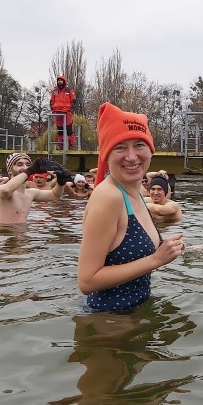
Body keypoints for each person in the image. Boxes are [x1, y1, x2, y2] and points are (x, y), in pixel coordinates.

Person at [78, 103, 184, 313]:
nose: (132, 156)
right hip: (108, 327)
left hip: (135, 318)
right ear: (106, 155)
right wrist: (156, 260)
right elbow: (87, 281)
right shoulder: (109, 197)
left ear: (151, 150)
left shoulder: (134, 195)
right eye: (120, 147)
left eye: (139, 145)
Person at [0, 152, 66, 224]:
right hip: (5, 233)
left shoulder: (30, 193)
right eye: (19, 164)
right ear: (10, 170)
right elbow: (6, 190)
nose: (25, 168)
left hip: (22, 233)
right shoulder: (3, 189)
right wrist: (29, 171)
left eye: (28, 165)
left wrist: (61, 182)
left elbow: (55, 194)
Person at [50, 74, 77, 150]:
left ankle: (73, 144)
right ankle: (60, 145)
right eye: (58, 80)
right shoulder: (55, 91)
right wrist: (53, 109)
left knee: (69, 129)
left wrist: (71, 109)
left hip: (66, 112)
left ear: (64, 81)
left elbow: (74, 100)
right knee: (60, 129)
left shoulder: (69, 90)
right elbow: (52, 100)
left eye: (61, 80)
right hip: (57, 112)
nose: (60, 82)